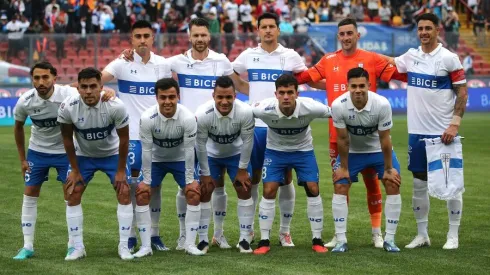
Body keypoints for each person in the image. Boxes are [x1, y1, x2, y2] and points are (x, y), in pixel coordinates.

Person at [123, 17, 249, 251]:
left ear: (209, 37)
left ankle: (218, 234)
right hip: (186, 133)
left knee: (216, 186)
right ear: (189, 37)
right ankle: (185, 236)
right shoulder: (176, 62)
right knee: (189, 186)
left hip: (216, 130)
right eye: (195, 35)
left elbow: (239, 86)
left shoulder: (221, 61)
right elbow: (150, 62)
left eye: (203, 35)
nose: (199, 39)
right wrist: (130, 55)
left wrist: (264, 100)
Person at [295, 17, 406, 248]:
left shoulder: (372, 58)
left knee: (373, 183)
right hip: (340, 136)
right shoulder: (328, 60)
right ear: (338, 36)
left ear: (358, 35)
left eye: (349, 33)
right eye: (342, 34)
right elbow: (304, 78)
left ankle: (377, 233)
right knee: (340, 182)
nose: (346, 37)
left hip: (370, 136)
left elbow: (398, 75)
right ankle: (339, 235)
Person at [232, 12, 318, 247]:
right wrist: (247, 90)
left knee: (286, 178)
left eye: (272, 26)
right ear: (258, 30)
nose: (268, 30)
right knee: (255, 178)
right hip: (256, 126)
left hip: (282, 125)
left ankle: (284, 231)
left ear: (278, 30)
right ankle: (249, 230)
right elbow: (232, 74)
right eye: (264, 27)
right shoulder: (248, 55)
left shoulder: (290, 56)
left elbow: (307, 79)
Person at [392, 13, 467, 250]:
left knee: (451, 183)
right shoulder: (411, 56)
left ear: (438, 30)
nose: (423, 32)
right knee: (418, 183)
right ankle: (422, 234)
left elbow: (462, 92)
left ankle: (453, 235)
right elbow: (389, 62)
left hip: (443, 133)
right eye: (420, 28)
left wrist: (454, 123)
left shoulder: (449, 58)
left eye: (428, 28)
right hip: (417, 132)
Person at [97, 20, 173, 253]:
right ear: (132, 39)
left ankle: (154, 234)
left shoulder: (163, 65)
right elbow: (96, 80)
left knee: (155, 186)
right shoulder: (121, 63)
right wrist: (104, 90)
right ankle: (130, 236)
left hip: (157, 135)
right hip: (130, 136)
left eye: (146, 36)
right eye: (138, 36)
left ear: (152, 39)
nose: (142, 40)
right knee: (129, 187)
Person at [58, 68, 133, 260]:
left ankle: (124, 246)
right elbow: (67, 138)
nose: (89, 91)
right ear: (78, 88)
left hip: (112, 154)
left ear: (101, 87)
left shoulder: (116, 106)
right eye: (84, 87)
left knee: (124, 191)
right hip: (84, 155)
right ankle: (77, 247)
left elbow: (124, 139)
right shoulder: (68, 106)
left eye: (93, 86)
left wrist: (120, 171)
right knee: (72, 191)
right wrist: (74, 169)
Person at [252, 74, 331, 255]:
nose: (286, 96)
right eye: (282, 93)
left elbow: (337, 112)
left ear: (297, 93)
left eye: (290, 92)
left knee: (313, 188)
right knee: (269, 189)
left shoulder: (310, 107)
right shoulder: (264, 108)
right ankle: (264, 241)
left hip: (303, 152)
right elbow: (244, 113)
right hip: (275, 152)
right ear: (276, 94)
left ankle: (317, 239)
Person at [330, 67, 402, 253]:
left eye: (362, 85)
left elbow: (385, 139)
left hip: (378, 150)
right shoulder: (338, 105)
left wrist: (388, 169)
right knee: (340, 184)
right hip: (353, 152)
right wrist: (344, 168)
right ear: (347, 86)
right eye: (353, 86)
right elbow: (343, 139)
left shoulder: (382, 104)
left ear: (369, 85)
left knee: (393, 182)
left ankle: (390, 240)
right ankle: (341, 240)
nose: (358, 90)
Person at [12, 62, 76, 260]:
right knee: (30, 192)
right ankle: (27, 246)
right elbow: (18, 128)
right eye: (37, 78)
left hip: (65, 152)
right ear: (32, 79)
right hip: (37, 151)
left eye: (45, 77)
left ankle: (73, 245)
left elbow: (91, 91)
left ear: (54, 78)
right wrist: (23, 160)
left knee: (71, 194)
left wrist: (107, 90)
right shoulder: (25, 101)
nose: (41, 82)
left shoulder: (68, 94)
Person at [139, 78, 201, 255]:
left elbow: (190, 151)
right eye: (163, 97)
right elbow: (146, 151)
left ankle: (189, 244)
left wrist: (190, 180)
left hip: (180, 159)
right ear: (156, 98)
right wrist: (146, 180)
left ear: (178, 97)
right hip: (156, 160)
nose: (167, 101)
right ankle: (147, 245)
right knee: (143, 193)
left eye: (172, 97)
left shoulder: (188, 118)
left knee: (194, 193)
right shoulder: (147, 118)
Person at [195, 76, 255, 253]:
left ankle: (245, 239)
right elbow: (200, 145)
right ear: (213, 95)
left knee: (244, 189)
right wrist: (205, 174)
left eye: (228, 97)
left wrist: (243, 169)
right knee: (205, 191)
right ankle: (205, 239)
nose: (224, 101)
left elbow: (247, 141)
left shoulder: (245, 112)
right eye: (220, 97)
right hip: (211, 155)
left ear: (235, 96)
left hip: (236, 154)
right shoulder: (202, 114)